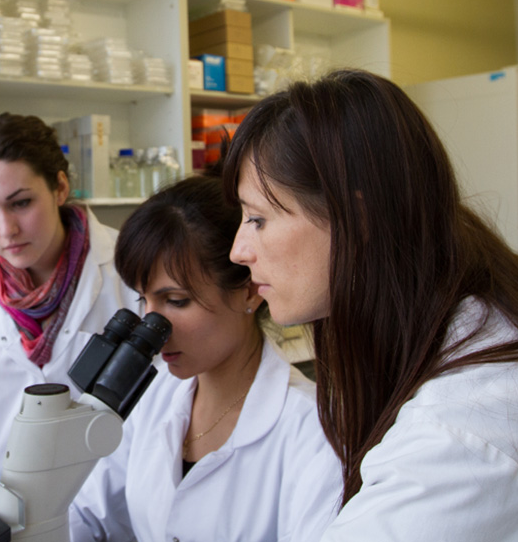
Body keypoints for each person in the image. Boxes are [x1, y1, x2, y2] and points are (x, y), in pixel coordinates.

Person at [223, 68, 518, 541]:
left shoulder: (459, 440)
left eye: (257, 218)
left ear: (356, 220)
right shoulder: (496, 298)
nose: (239, 251)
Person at [70, 173, 342, 541]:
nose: (152, 324)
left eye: (176, 301)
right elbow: (89, 516)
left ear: (249, 291)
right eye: (143, 300)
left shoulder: (314, 428)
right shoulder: (152, 396)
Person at [0, 113, 138, 487]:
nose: (5, 230)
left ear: (60, 187)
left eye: (20, 203)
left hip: (99, 491)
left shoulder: (127, 267)